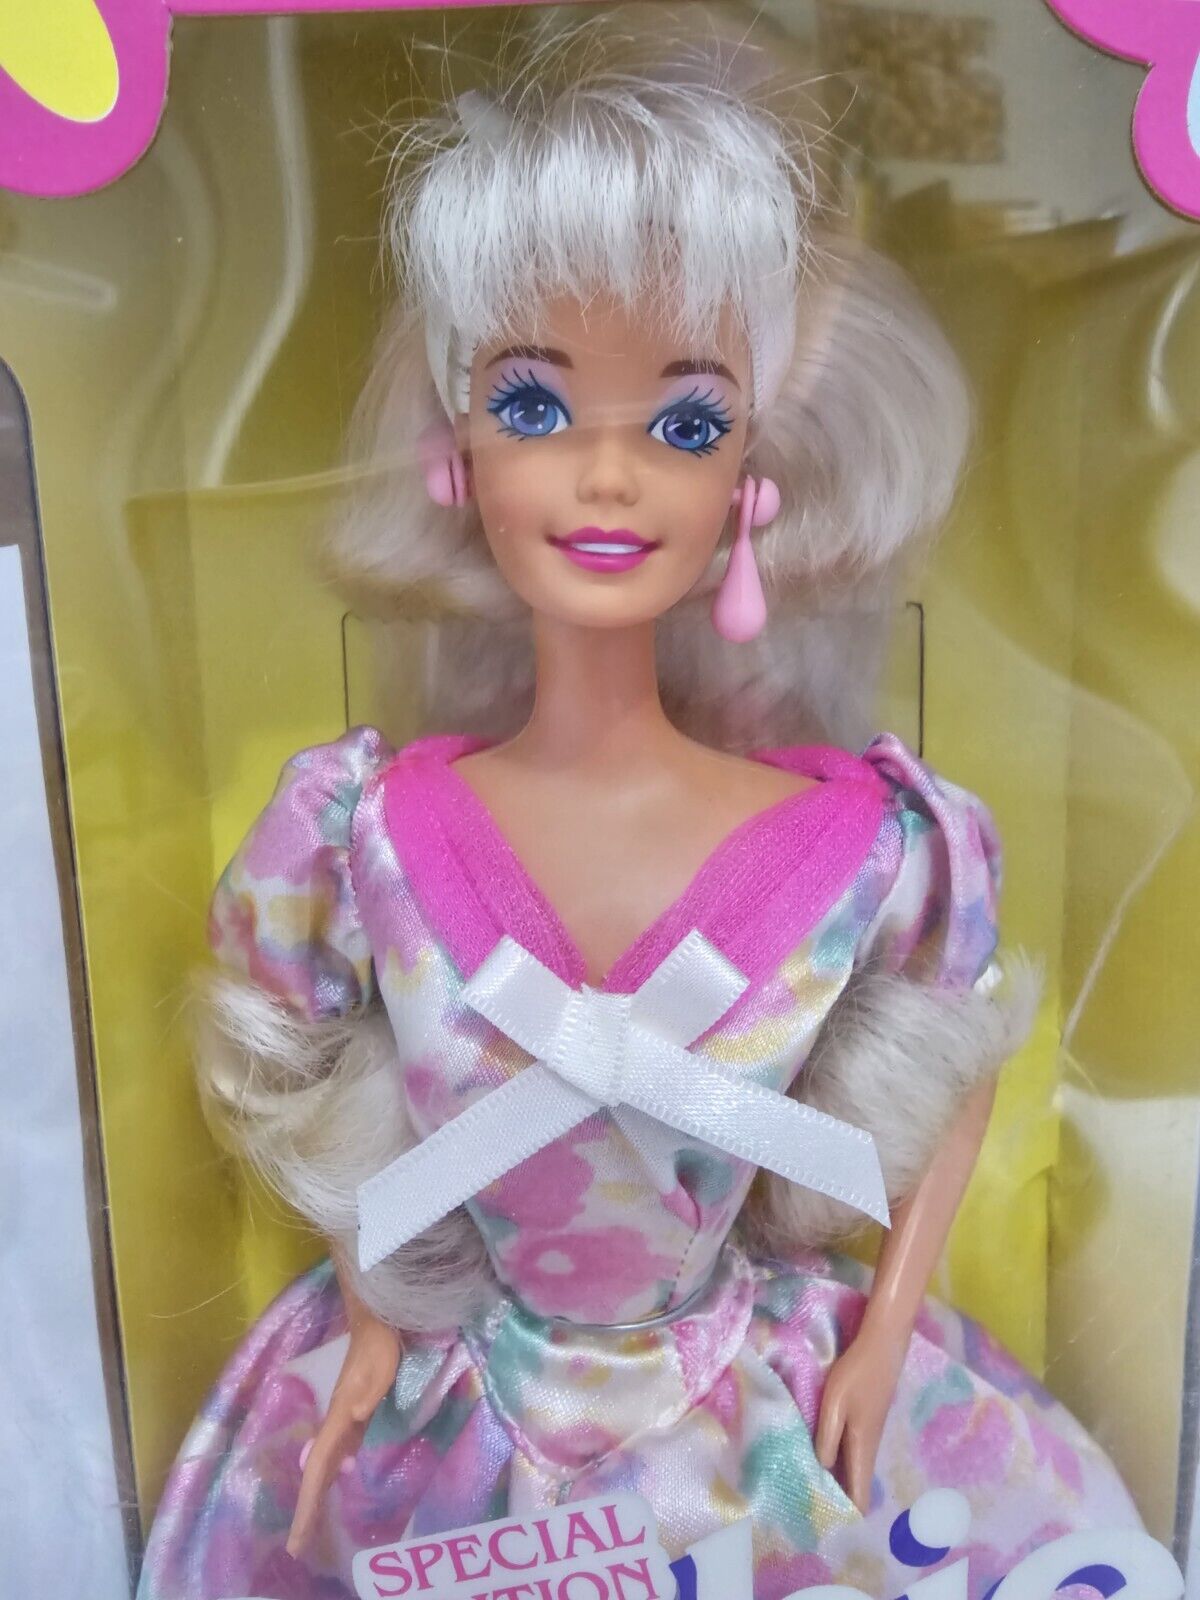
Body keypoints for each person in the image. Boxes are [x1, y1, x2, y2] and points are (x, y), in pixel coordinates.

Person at [137, 8, 1139, 1598]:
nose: (607, 481)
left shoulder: (870, 849)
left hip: (747, 1423)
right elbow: (303, 1050)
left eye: (682, 425)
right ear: (456, 452)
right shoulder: (361, 833)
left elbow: (951, 1064)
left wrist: (888, 1328)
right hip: (465, 1417)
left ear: (752, 477)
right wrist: (377, 1307)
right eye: (535, 407)